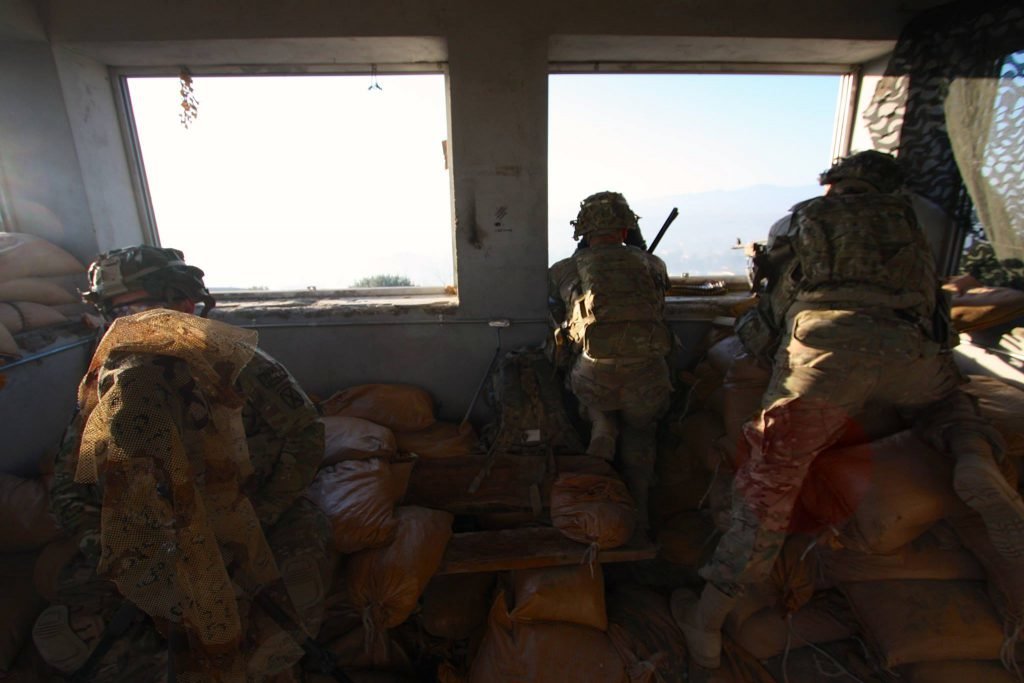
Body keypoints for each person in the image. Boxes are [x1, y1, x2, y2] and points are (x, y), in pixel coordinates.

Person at [673, 150, 1024, 668]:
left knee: (767, 490)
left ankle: (706, 620)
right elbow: (938, 318)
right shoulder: (908, 227)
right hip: (910, 353)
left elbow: (770, 311)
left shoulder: (804, 220)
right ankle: (972, 458)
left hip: (826, 359)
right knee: (951, 403)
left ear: (833, 183)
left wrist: (768, 350)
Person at [35, 246, 330, 682]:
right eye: (115, 310)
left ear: (185, 305)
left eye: (137, 306)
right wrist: (118, 550)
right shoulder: (105, 385)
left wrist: (254, 520)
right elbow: (69, 483)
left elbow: (304, 438)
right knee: (88, 637)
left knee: (275, 624)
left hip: (249, 521)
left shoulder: (240, 365)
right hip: (147, 541)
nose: (128, 320)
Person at [548, 191, 674, 530]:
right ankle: (640, 517)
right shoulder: (653, 263)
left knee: (583, 389)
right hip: (647, 375)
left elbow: (560, 312)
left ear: (584, 232)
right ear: (625, 230)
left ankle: (601, 429)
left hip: (593, 375)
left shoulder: (564, 268)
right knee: (641, 436)